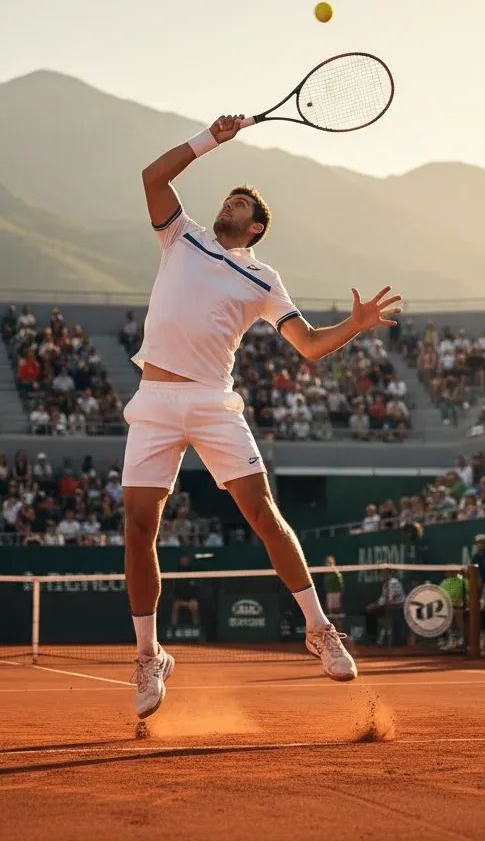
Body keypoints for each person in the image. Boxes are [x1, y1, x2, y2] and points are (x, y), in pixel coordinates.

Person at [124, 114, 402, 718]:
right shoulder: (182, 236)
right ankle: (150, 657)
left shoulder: (263, 277)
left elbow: (306, 345)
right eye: (229, 194)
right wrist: (209, 140)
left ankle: (319, 630)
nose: (229, 201)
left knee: (263, 514)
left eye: (241, 201)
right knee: (139, 526)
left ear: (254, 226)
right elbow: (151, 177)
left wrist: (353, 327)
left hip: (212, 402)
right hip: (154, 400)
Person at [363, 567, 405, 645]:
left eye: (384, 573)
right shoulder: (385, 584)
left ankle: (389, 641)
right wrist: (374, 605)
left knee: (374, 611)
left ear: (389, 573)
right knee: (369, 612)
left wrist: (376, 606)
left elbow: (390, 600)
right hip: (388, 607)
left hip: (397, 608)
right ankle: (374, 639)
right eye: (382, 573)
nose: (382, 575)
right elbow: (383, 599)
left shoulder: (393, 582)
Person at [169, 554, 200, 628]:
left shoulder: (192, 574)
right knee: (175, 605)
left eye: (185, 560)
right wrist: (178, 599)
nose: (184, 562)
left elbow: (195, 590)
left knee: (194, 605)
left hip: (191, 600)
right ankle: (174, 628)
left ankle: (196, 627)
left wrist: (193, 599)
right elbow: (175, 590)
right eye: (182, 560)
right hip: (180, 600)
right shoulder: (178, 573)